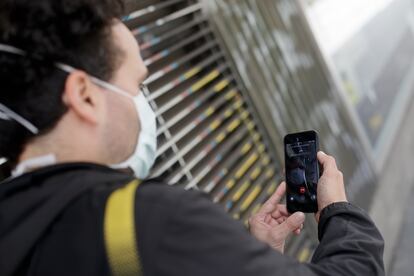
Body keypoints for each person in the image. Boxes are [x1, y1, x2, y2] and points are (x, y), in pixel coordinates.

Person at [0, 0, 384, 275]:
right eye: (137, 85)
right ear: (85, 95)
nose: (142, 104)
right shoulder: (152, 223)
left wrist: (251, 256)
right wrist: (338, 212)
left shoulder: (15, 217)